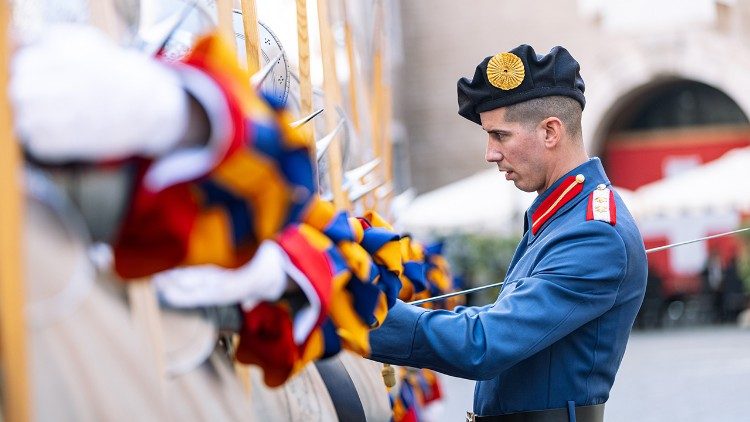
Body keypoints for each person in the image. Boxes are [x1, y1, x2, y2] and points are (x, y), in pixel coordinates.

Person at [368, 45, 648, 421]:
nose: (490, 153)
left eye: (500, 135)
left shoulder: (593, 234)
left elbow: (485, 344)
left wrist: (360, 316)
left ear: (551, 131)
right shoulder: (563, 217)